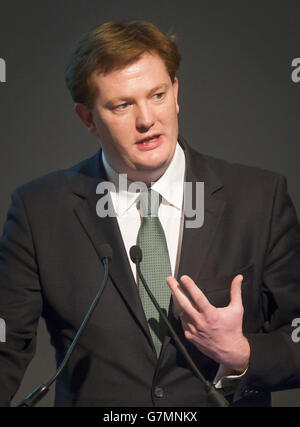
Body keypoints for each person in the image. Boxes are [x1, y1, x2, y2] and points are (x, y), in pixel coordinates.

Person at [0, 19, 300, 408]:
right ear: (88, 118)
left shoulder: (259, 199)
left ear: (175, 93)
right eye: (123, 105)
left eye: (157, 95)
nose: (146, 120)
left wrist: (242, 353)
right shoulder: (39, 210)